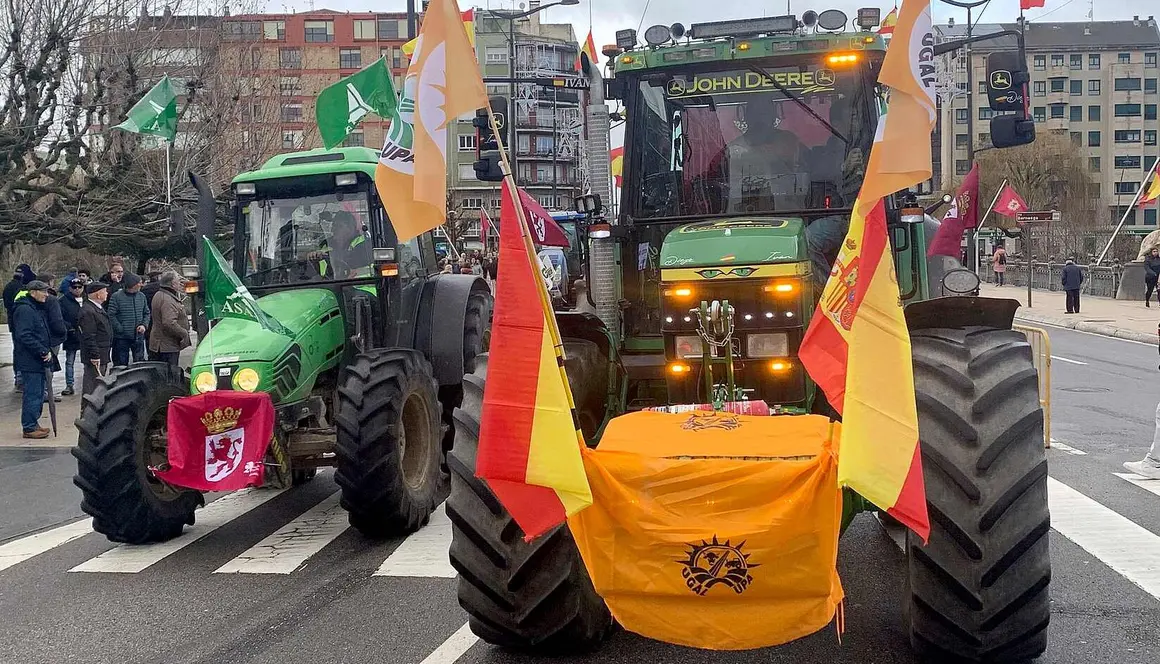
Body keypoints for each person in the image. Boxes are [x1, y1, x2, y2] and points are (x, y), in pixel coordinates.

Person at [12, 281, 54, 439]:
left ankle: (33, 423)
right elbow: (24, 335)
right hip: (31, 360)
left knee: (36, 393)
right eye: (44, 291)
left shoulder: (32, 307)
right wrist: (42, 350)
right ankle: (29, 427)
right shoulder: (25, 309)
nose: (46, 295)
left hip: (36, 360)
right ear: (33, 292)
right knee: (33, 394)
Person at [147, 271, 191, 367]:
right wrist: (184, 333)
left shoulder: (160, 294)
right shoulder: (167, 299)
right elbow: (169, 322)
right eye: (178, 281)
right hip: (167, 346)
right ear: (172, 283)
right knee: (170, 374)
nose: (180, 283)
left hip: (161, 344)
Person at [4, 264, 37, 391]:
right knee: (21, 350)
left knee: (17, 350)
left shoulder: (9, 287)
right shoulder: (21, 289)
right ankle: (21, 379)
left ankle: (19, 378)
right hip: (21, 324)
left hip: (14, 324)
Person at [106, 272, 150, 366]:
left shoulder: (141, 296)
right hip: (121, 338)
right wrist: (120, 328)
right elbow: (111, 315)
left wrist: (144, 325)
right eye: (138, 282)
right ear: (132, 284)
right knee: (120, 364)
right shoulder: (116, 296)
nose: (140, 285)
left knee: (139, 364)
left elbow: (146, 312)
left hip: (138, 336)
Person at [78, 282, 113, 400]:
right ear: (98, 294)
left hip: (102, 352)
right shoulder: (88, 311)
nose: (107, 293)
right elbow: (89, 335)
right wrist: (95, 355)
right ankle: (87, 412)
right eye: (105, 291)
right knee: (92, 386)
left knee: (98, 385)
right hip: (95, 355)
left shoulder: (97, 308)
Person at [58, 278, 86, 396]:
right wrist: (69, 328)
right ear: (70, 288)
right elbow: (59, 317)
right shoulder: (63, 301)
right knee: (70, 361)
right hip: (71, 334)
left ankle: (90, 384)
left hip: (86, 334)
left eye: (80, 287)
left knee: (89, 361)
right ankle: (69, 384)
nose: (77, 289)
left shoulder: (87, 299)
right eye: (75, 287)